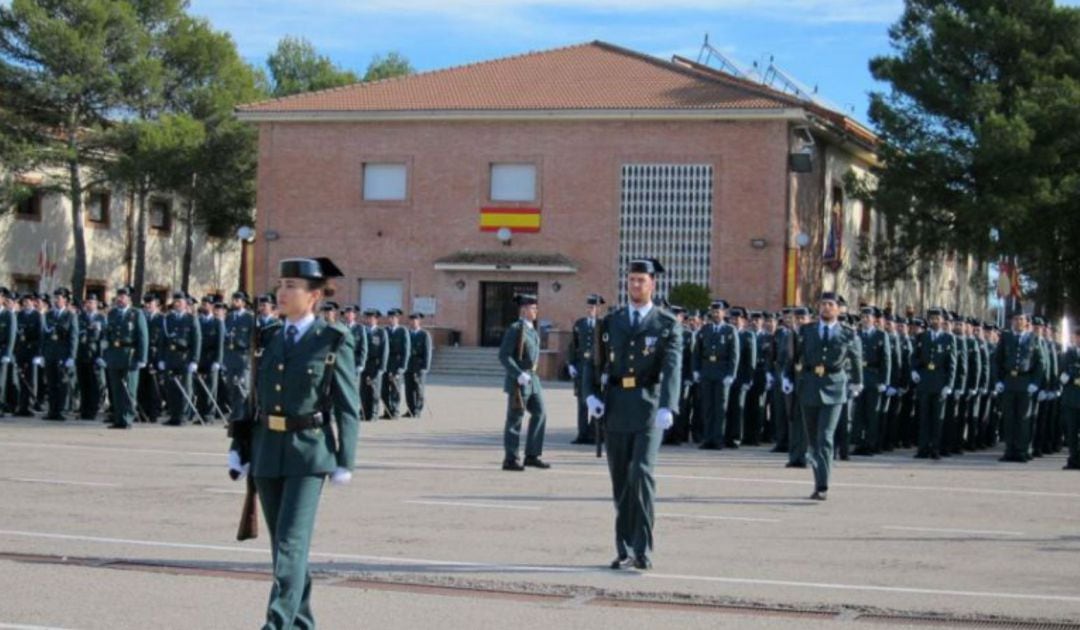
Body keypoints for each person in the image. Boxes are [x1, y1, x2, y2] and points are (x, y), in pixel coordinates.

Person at [227, 257, 359, 630]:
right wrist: (240, 445)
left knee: (290, 545)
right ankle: (301, 623)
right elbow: (251, 396)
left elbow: (349, 406)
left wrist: (346, 458)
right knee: (282, 549)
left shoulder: (332, 339)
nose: (281, 293)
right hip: (267, 450)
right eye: (281, 285)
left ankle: (277, 623)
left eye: (291, 287)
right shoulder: (267, 337)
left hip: (309, 453)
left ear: (314, 296)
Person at [583, 258, 682, 570]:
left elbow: (673, 366)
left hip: (648, 407)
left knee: (640, 473)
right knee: (621, 481)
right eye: (632, 280)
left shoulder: (666, 323)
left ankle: (642, 548)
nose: (635, 285)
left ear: (653, 284)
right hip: (615, 405)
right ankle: (624, 548)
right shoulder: (611, 321)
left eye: (641, 280)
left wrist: (668, 404)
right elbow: (592, 361)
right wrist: (589, 395)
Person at [795, 292, 862, 500]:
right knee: (814, 440)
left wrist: (857, 383)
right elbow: (796, 357)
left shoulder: (847, 333)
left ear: (838, 308)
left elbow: (856, 358)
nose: (826, 307)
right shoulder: (806, 331)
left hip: (834, 387)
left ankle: (822, 485)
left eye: (830, 304)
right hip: (810, 387)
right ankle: (818, 479)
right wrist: (793, 379)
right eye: (823, 304)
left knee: (825, 437)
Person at [498, 294, 548, 470]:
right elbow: (504, 356)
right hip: (519, 380)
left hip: (533, 379)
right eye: (533, 308)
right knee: (515, 418)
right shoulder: (515, 329)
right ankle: (510, 459)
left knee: (540, 413)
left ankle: (532, 455)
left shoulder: (532, 330)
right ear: (524, 310)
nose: (536, 311)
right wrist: (518, 374)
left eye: (536, 308)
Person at [993, 312, 1043, 462]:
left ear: (1027, 322)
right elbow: (997, 361)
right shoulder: (1006, 337)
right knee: (1008, 418)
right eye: (1015, 319)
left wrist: (1035, 383)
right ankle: (1009, 450)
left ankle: (1022, 451)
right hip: (1009, 381)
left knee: (1023, 419)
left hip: (1025, 382)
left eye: (1021, 319)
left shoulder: (1033, 338)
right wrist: (998, 381)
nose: (1017, 322)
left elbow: (1039, 363)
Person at [912, 308, 958, 459]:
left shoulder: (948, 338)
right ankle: (922, 448)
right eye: (932, 319)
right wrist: (914, 370)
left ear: (942, 321)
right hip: (925, 379)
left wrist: (949, 384)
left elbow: (952, 364)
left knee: (938, 418)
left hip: (940, 381)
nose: (934, 321)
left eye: (937, 319)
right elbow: (915, 356)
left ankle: (935, 449)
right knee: (923, 417)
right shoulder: (922, 337)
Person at [692, 300, 738, 450]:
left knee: (720, 408)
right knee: (707, 407)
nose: (715, 314)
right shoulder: (705, 329)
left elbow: (734, 355)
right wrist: (696, 370)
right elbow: (697, 352)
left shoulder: (730, 330)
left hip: (722, 372)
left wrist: (731, 374)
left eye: (718, 312)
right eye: (713, 312)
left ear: (724, 313)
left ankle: (718, 439)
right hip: (706, 371)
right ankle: (707, 438)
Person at [101, 286, 148, 429]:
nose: (120, 299)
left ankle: (127, 418)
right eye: (118, 297)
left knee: (129, 390)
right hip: (114, 355)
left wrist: (142, 358)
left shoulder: (136, 313)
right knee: (116, 389)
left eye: (123, 297)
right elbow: (106, 335)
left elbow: (143, 337)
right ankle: (118, 418)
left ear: (129, 298)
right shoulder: (112, 313)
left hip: (130, 355)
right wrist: (105, 355)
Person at [160, 291, 201, 426]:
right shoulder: (168, 318)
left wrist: (194, 360)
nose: (177, 304)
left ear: (185, 304)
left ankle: (183, 416)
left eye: (180, 302)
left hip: (185, 357)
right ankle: (174, 415)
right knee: (170, 387)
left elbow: (197, 340)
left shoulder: (191, 318)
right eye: (175, 302)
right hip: (171, 357)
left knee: (185, 388)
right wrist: (161, 358)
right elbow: (163, 341)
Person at [569, 294, 605, 444]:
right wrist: (571, 364)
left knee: (598, 400)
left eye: (594, 307)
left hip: (598, 370)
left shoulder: (603, 325)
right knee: (582, 403)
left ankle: (595, 433)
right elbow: (573, 345)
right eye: (589, 307)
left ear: (598, 309)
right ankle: (582, 434)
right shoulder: (580, 324)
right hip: (582, 369)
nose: (591, 310)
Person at [76, 293, 106, 420]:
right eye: (87, 302)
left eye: (92, 302)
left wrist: (101, 355)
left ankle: (92, 410)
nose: (89, 304)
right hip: (81, 353)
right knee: (83, 384)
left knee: (93, 384)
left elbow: (104, 338)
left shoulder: (101, 318)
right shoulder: (80, 317)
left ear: (97, 304)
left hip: (94, 354)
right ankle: (84, 409)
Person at [381, 308, 410, 419]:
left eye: (394, 318)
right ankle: (387, 411)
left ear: (398, 319)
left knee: (395, 389)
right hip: (386, 363)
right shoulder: (385, 330)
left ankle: (395, 411)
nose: (391, 320)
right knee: (384, 390)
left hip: (396, 364)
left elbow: (406, 351)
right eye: (390, 317)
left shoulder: (403, 331)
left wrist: (402, 367)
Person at [360, 309, 388, 421]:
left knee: (374, 390)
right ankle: (364, 412)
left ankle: (374, 413)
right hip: (365, 364)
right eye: (368, 318)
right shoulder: (364, 331)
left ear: (376, 320)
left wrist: (382, 367)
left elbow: (384, 351)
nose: (369, 320)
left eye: (372, 318)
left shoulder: (381, 332)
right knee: (364, 390)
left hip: (375, 364)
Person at [404, 312, 431, 418]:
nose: (413, 322)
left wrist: (425, 367)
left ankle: (418, 410)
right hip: (409, 365)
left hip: (419, 365)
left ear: (419, 322)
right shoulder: (407, 333)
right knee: (409, 389)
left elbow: (427, 352)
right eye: (411, 320)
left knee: (419, 389)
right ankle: (410, 409)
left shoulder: (424, 334)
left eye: (415, 320)